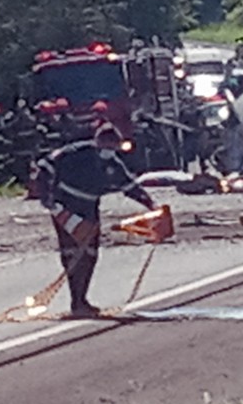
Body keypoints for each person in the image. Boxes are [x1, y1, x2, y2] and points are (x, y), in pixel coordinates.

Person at [33, 123, 155, 317]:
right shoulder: (76, 152)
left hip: (89, 208)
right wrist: (47, 199)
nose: (108, 151)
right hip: (65, 207)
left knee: (89, 255)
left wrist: (151, 205)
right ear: (98, 141)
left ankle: (81, 300)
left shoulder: (113, 163)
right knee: (71, 253)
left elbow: (129, 186)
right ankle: (77, 301)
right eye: (106, 146)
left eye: (112, 148)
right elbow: (45, 166)